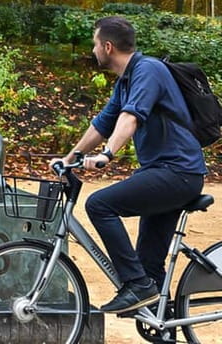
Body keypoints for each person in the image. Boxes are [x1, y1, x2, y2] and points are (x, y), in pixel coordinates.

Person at [52, 16, 206, 313]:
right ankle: (161, 323)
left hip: (179, 173)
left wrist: (107, 155)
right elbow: (103, 124)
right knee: (150, 267)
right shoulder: (126, 81)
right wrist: (70, 158)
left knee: (99, 204)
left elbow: (130, 118)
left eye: (94, 44)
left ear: (107, 46)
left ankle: (135, 285)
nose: (93, 49)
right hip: (162, 173)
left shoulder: (148, 70)